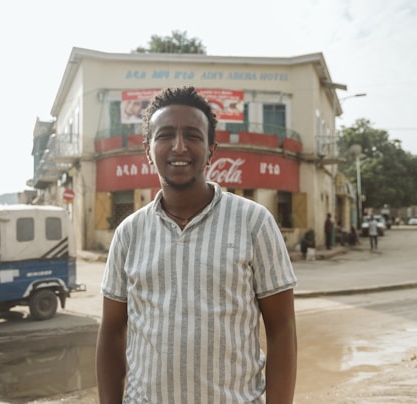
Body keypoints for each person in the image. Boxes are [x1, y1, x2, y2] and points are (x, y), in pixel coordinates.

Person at [96, 86, 298, 403]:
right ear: (148, 149)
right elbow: (111, 333)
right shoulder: (128, 234)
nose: (179, 146)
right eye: (165, 135)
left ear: (211, 149)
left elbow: (282, 328)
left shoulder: (253, 222)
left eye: (192, 135)